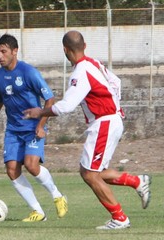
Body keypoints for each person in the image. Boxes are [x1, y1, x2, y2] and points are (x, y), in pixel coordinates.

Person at [23, 30, 151, 229]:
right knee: (92, 171)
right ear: (85, 45)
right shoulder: (94, 63)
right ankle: (136, 181)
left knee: (90, 174)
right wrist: (115, 108)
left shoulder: (80, 72)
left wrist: (40, 112)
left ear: (65, 50)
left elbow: (66, 106)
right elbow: (116, 83)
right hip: (110, 120)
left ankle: (120, 218)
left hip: (104, 123)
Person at [0, 33, 68, 222]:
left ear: (14, 51)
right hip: (13, 130)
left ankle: (58, 196)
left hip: (33, 127)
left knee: (32, 165)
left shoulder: (28, 72)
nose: (0, 56)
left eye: (4, 51)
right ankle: (38, 212)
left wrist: (42, 124)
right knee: (12, 170)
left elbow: (49, 99)